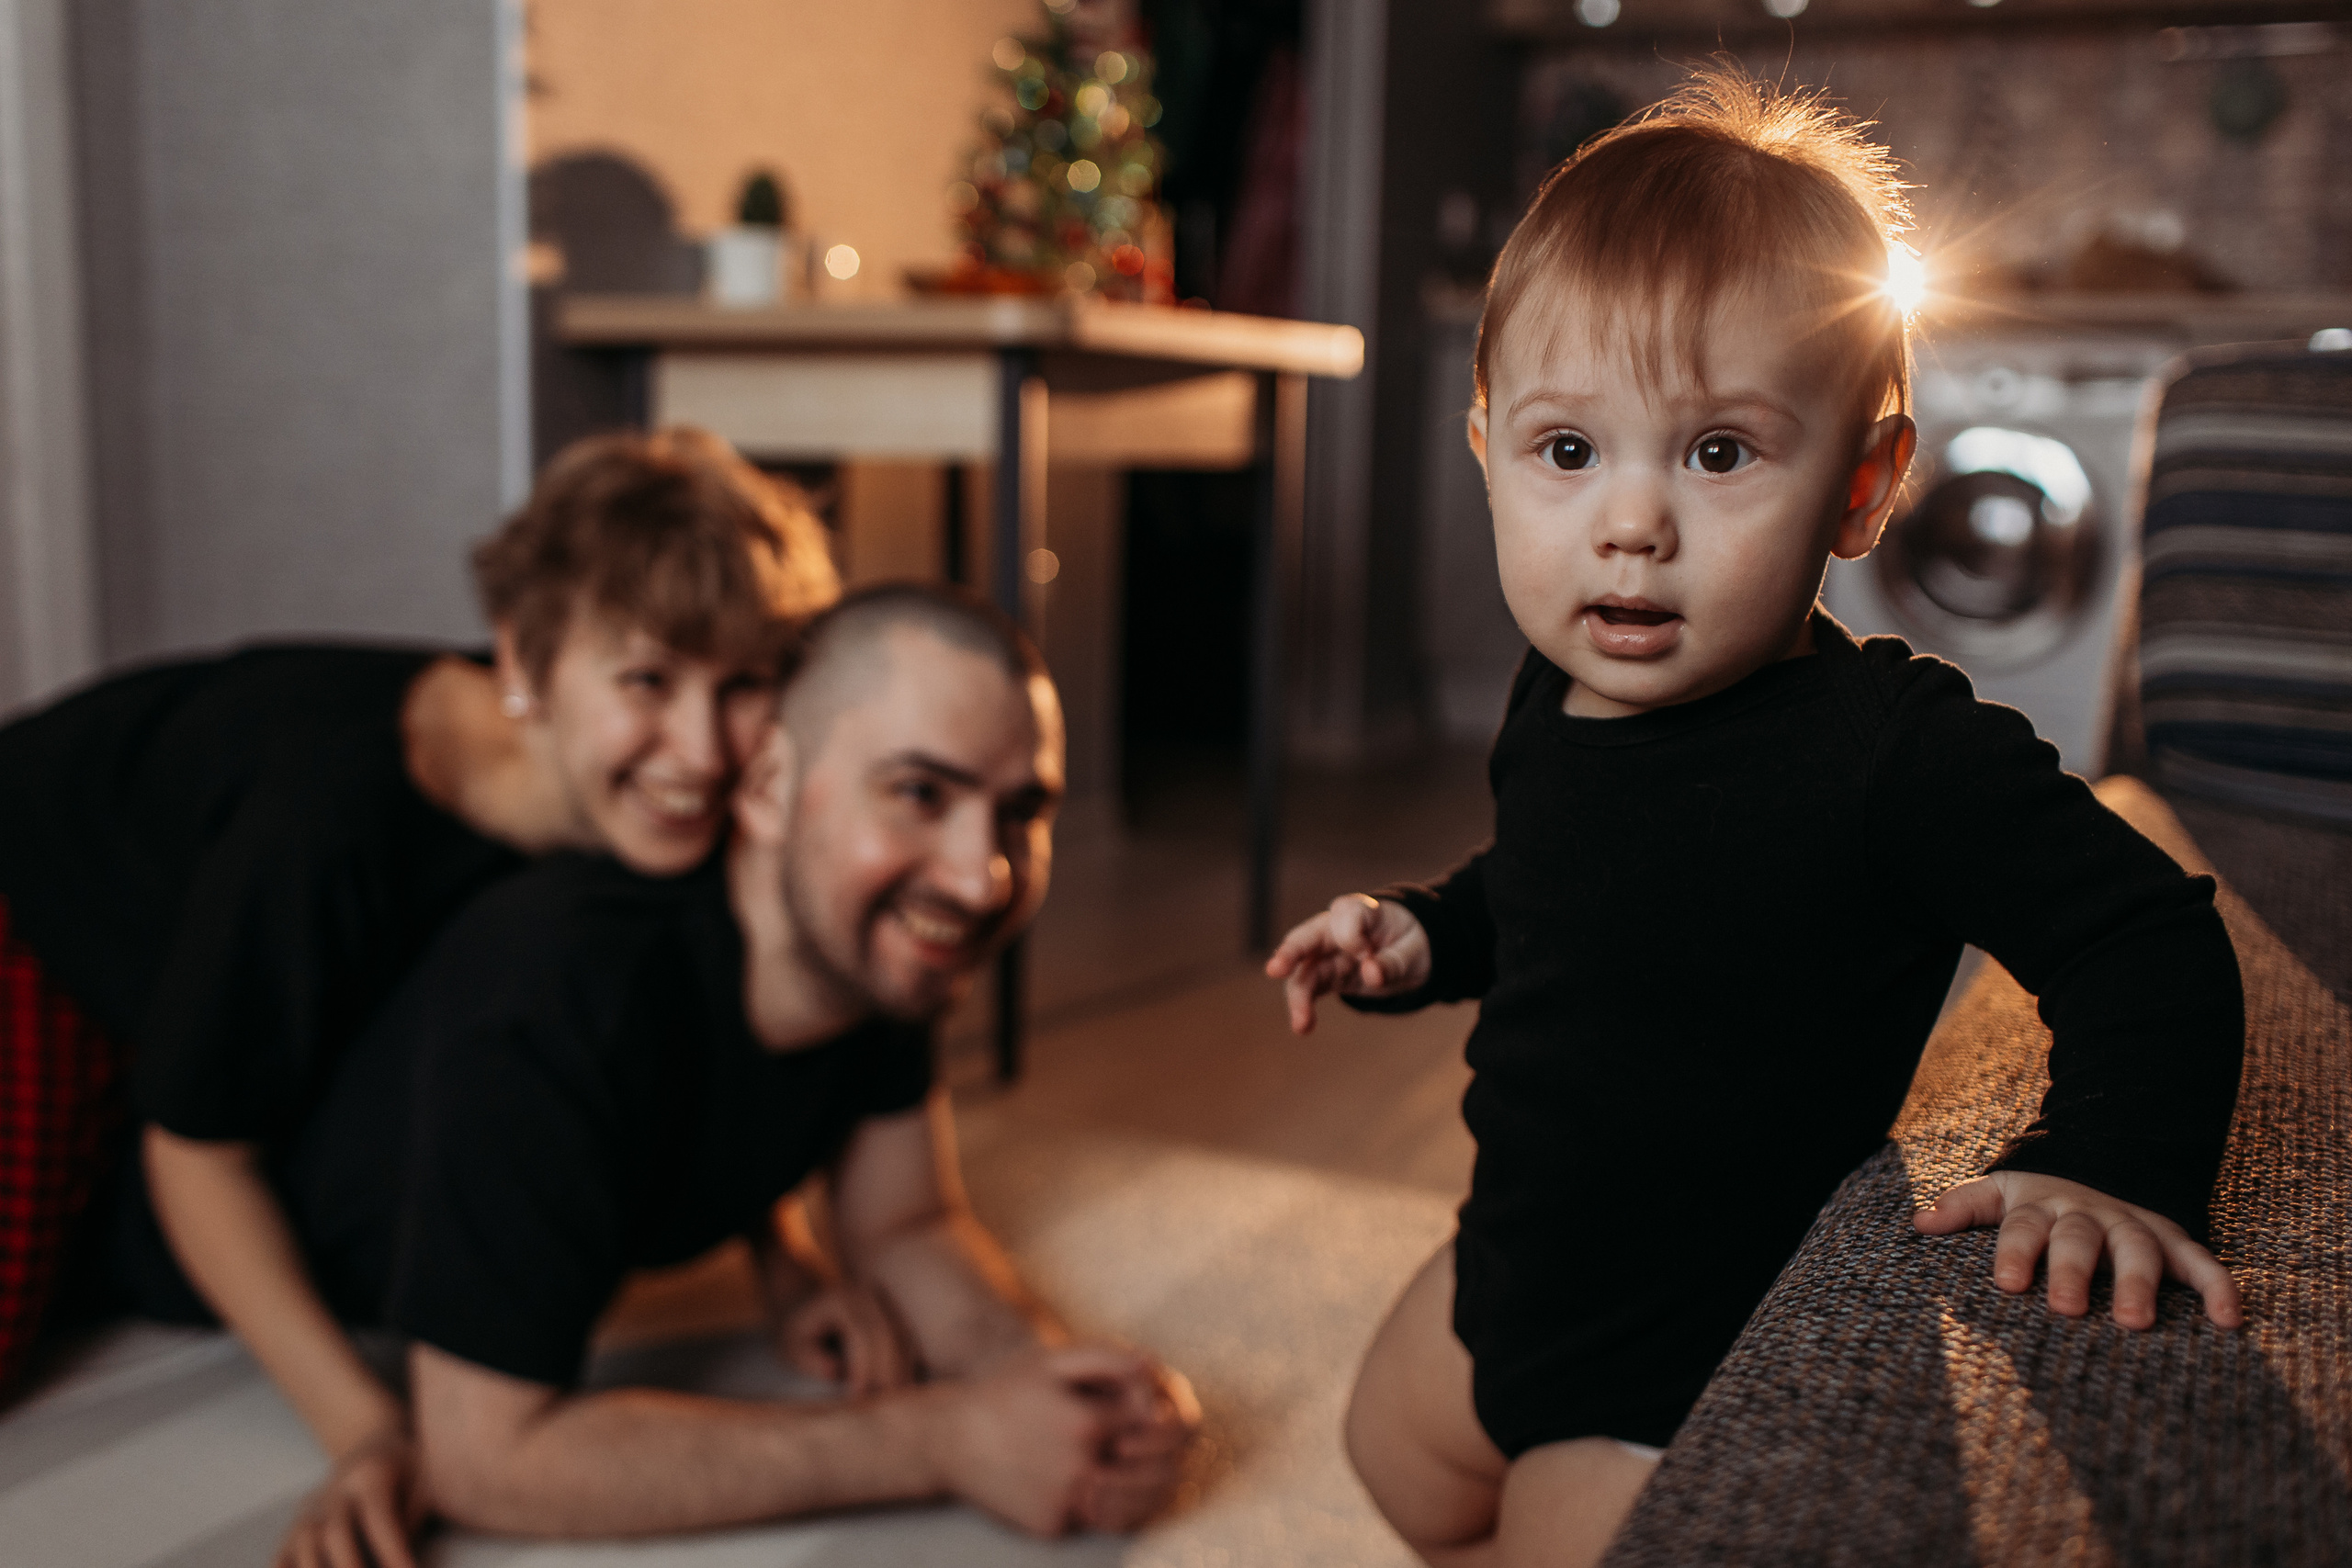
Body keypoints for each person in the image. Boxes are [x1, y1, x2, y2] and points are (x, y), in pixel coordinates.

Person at [1264, 70, 2245, 1568]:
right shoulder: (1556, 686)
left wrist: (2111, 1157)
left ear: (1864, 485)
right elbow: (1549, 882)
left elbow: (2149, 936)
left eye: (1718, 452)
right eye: (1568, 450)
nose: (1630, 524)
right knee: (1393, 1462)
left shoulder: (1890, 751)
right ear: (1487, 447)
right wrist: (1427, 931)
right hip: (1514, 1262)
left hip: (1687, 1354)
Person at [177, 582, 1197, 1544]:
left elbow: (905, 1223)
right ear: (769, 787)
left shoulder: (875, 946)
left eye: (1022, 811)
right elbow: (484, 1455)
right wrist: (945, 1440)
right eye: (920, 792)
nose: (982, 876)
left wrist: (1050, 1377)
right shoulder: (557, 989)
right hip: (203, 1262)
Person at [0, 427, 837, 1568]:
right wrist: (366, 1430)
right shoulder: (328, 829)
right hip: (30, 919)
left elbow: (691, 1033)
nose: (699, 751)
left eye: (742, 686)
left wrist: (785, 1258)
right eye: (647, 680)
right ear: (525, 666)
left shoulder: (650, 815)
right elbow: (197, 1153)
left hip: (176, 961)